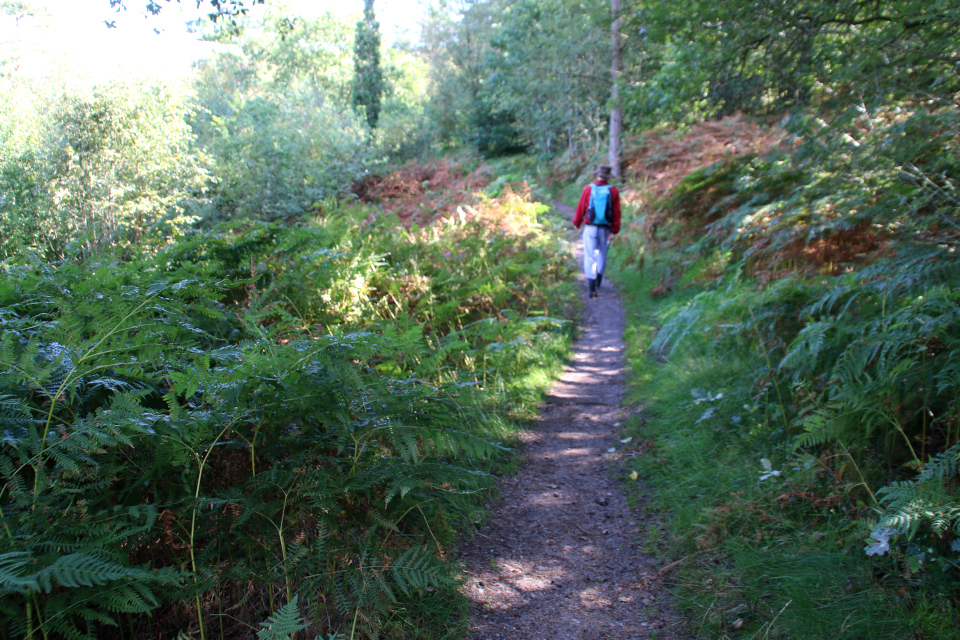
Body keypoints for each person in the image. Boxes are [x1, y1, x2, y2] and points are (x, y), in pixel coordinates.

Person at [573, 164, 621, 298]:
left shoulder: (588, 189)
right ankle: (599, 281)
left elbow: (581, 208)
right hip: (606, 229)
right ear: (608, 177)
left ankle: (591, 288)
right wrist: (614, 231)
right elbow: (617, 213)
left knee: (589, 256)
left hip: (590, 228)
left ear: (597, 175)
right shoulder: (613, 191)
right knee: (602, 255)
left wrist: (577, 223)